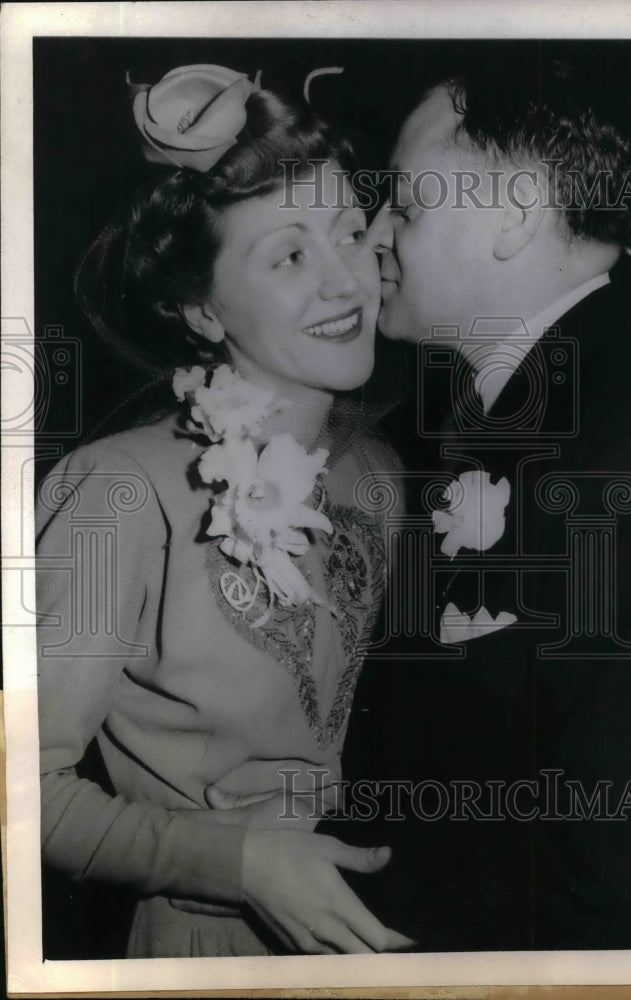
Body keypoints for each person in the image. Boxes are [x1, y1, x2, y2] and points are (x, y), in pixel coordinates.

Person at [335, 52, 631, 951]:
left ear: (513, 213)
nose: (375, 235)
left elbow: (625, 867)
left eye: (405, 203)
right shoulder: (479, 415)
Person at [36, 63, 413, 959]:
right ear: (200, 309)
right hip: (202, 947)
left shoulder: (379, 475)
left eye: (348, 233)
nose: (345, 284)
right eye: (288, 255)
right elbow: (17, 792)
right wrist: (237, 863)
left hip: (366, 929)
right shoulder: (118, 490)